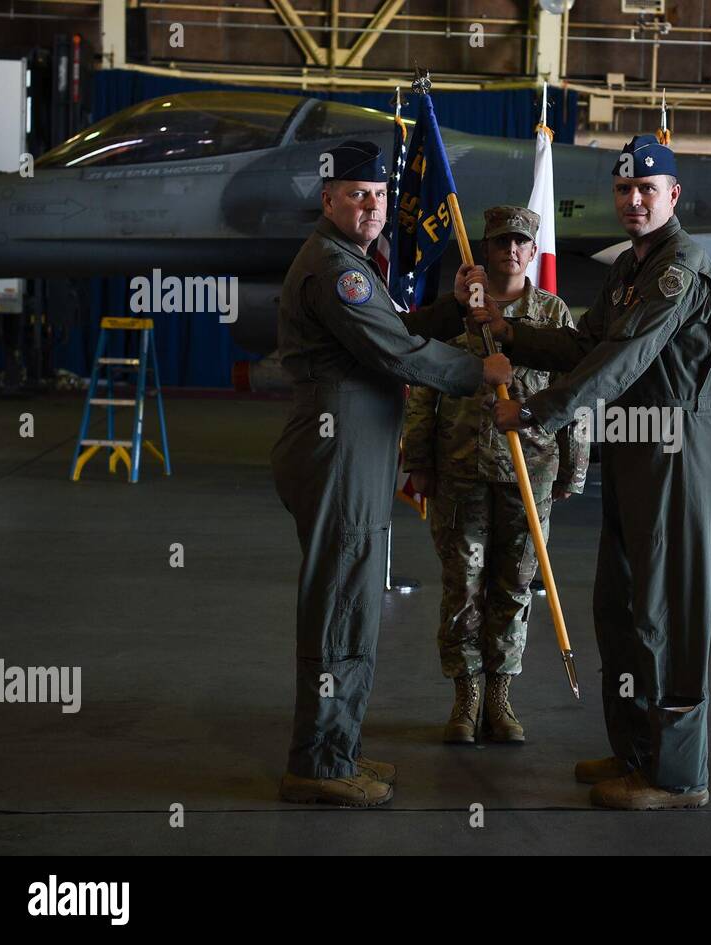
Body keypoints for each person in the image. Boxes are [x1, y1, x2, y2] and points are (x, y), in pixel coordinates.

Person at [475, 135, 711, 810]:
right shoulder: (630, 269)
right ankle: (635, 748)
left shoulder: (679, 269)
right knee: (620, 606)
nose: (634, 199)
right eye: (623, 189)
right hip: (633, 448)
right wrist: (513, 332)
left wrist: (538, 413)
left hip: (672, 449)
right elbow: (587, 343)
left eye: (648, 188)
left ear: (673, 195)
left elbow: (626, 358)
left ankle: (675, 774)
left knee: (662, 611)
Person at [271, 140, 512, 807]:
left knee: (350, 597)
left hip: (352, 444)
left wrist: (453, 314)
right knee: (341, 604)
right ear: (329, 200)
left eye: (378, 194)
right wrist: (476, 369)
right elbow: (393, 349)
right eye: (356, 193)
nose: (372, 205)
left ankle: (336, 745)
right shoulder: (335, 267)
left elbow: (393, 325)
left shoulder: (350, 261)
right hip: (337, 445)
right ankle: (318, 762)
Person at [403, 206, 589, 745]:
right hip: (459, 470)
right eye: (501, 242)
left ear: (533, 253)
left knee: (515, 588)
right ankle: (466, 699)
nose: (511, 250)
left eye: (520, 243)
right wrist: (418, 461)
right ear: (485, 250)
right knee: (462, 588)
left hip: (528, 474)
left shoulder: (552, 315)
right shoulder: (461, 312)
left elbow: (573, 393)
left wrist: (573, 470)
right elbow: (423, 386)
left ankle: (501, 697)